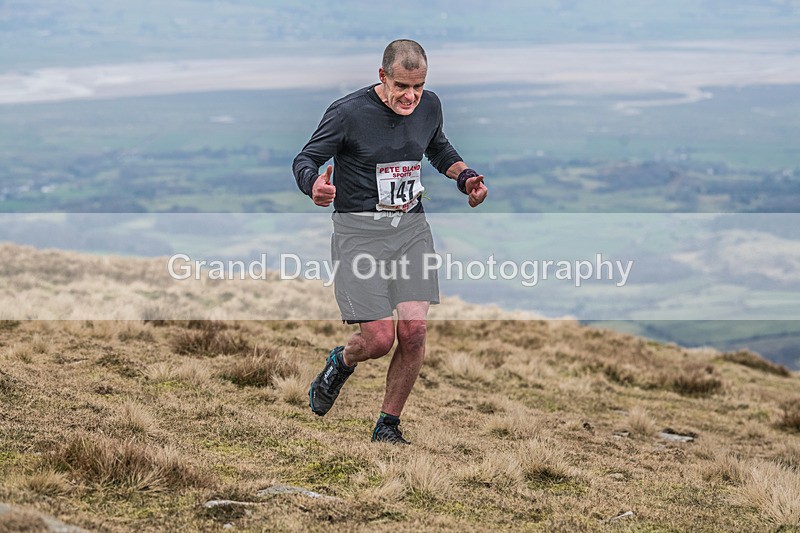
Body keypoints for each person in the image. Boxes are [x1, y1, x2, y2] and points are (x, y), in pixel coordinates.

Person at [292, 39, 488, 444]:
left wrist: (466, 177)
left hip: (410, 231)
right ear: (382, 77)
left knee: (414, 332)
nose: (411, 96)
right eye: (402, 86)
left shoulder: (429, 105)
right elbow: (305, 159)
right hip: (359, 237)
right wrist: (314, 186)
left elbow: (437, 147)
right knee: (379, 340)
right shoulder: (348, 113)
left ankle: (388, 425)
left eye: (418, 86)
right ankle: (342, 361)